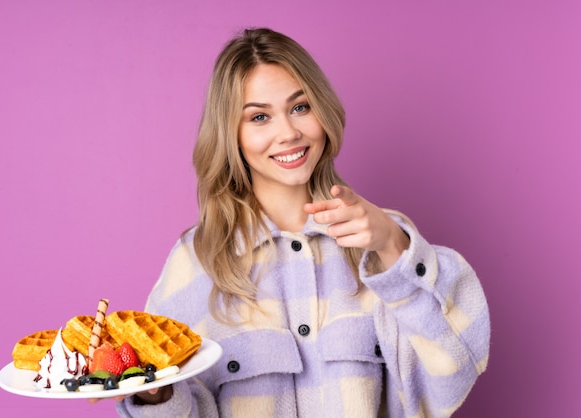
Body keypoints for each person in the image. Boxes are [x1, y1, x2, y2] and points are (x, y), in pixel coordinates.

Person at [115, 27, 490, 417]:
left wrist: (394, 246)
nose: (289, 133)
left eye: (300, 107)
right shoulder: (198, 260)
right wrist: (155, 396)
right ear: (232, 135)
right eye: (259, 117)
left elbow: (454, 370)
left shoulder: (382, 240)